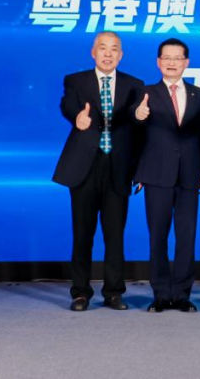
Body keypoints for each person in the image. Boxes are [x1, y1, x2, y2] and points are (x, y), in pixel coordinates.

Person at [51, 31, 145, 312]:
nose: (108, 53)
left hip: (118, 167)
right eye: (103, 48)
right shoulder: (76, 80)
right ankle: (80, 293)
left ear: (121, 55)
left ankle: (114, 292)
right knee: (83, 234)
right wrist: (77, 117)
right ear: (93, 52)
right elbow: (68, 104)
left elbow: (138, 127)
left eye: (114, 49)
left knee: (115, 235)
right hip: (85, 167)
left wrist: (139, 169)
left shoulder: (134, 85)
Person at [131, 38, 200, 313]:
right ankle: (160, 294)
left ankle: (182, 294)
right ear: (158, 62)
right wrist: (138, 115)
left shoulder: (199, 95)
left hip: (190, 174)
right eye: (167, 57)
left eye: (177, 58)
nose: (172, 63)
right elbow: (134, 133)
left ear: (186, 62)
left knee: (186, 237)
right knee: (158, 237)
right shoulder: (145, 93)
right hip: (156, 175)